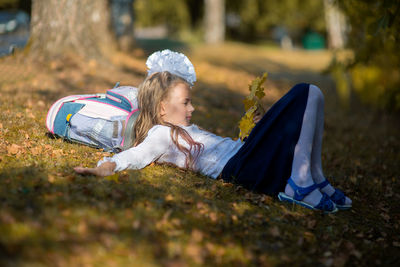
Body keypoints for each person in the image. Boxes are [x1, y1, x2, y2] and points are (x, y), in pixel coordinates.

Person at [74, 50, 352, 213]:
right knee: (305, 91)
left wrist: (253, 133)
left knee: (313, 95)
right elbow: (134, 156)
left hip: (245, 155)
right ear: (161, 109)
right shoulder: (161, 135)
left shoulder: (183, 129)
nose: (192, 108)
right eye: (185, 103)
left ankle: (315, 178)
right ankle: (299, 186)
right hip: (241, 168)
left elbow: (219, 149)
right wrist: (106, 166)